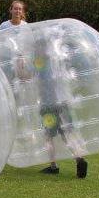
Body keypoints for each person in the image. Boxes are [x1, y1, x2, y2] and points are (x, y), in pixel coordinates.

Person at [30, 35, 87, 178]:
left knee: (48, 136)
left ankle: (53, 166)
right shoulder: (57, 61)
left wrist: (20, 65)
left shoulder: (39, 63)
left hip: (48, 105)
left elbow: (27, 77)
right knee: (67, 134)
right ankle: (79, 157)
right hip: (63, 103)